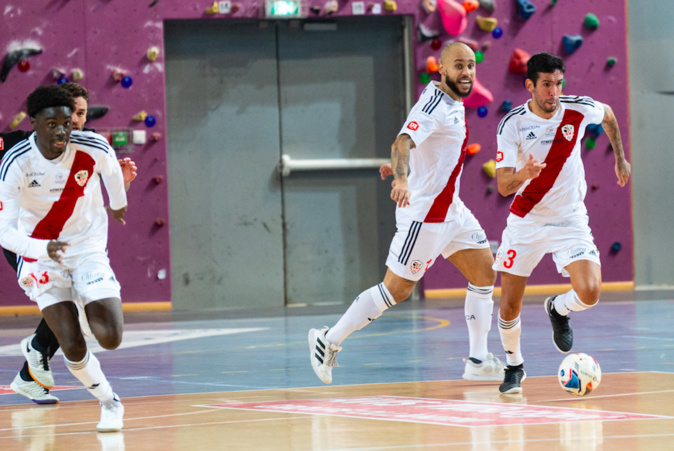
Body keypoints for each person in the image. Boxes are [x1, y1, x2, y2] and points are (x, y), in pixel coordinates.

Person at [308, 42, 505, 385]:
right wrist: (401, 177)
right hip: (425, 216)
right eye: (459, 65)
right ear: (442, 69)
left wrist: (409, 168)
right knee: (396, 290)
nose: (467, 72)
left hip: (452, 211)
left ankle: (477, 360)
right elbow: (402, 142)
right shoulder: (434, 104)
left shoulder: (452, 102)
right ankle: (328, 340)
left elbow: (429, 147)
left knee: (485, 273)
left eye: (471, 66)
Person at [492, 52, 631, 394]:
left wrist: (620, 158)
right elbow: (503, 185)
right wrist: (523, 174)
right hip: (526, 221)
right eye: (546, 85)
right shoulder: (512, 124)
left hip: (569, 219)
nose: (553, 92)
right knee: (509, 305)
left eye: (558, 84)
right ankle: (514, 366)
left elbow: (609, 115)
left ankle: (558, 308)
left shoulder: (578, 109)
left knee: (590, 292)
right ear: (530, 85)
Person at [0, 85, 129, 432]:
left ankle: (80, 306)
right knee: (70, 343)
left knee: (111, 337)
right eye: (52, 124)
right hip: (38, 252)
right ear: (34, 123)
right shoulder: (15, 160)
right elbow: (5, 232)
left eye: (68, 123)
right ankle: (109, 402)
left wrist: (119, 203)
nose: (62, 131)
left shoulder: (93, 146)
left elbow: (113, 172)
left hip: (85, 247)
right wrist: (42, 249)